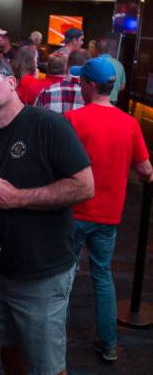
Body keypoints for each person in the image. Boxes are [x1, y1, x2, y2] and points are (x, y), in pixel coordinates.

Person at [0, 53, 94, 375]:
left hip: (42, 273)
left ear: (11, 82)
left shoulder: (48, 125)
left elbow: (84, 186)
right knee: (9, 349)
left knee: (45, 365)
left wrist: (18, 198)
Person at [65, 57, 153, 362]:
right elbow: (146, 169)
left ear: (90, 86)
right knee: (103, 276)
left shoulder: (74, 120)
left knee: (64, 275)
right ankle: (110, 344)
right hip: (109, 216)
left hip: (73, 213)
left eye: (81, 81)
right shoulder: (129, 123)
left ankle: (53, 337)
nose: (78, 85)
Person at [96, 38, 126, 105]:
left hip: (97, 100)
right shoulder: (119, 64)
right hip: (113, 101)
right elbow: (122, 86)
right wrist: (114, 91)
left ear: (96, 50)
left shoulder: (93, 63)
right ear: (109, 50)